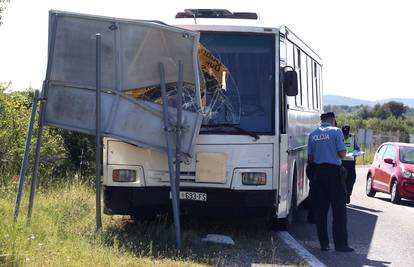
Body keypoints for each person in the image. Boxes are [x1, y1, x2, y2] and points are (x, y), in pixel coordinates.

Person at [307, 112, 354, 252]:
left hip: (318, 174)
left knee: (321, 211)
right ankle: (340, 245)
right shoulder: (336, 131)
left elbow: (310, 158)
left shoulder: (312, 134)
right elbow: (342, 153)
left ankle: (324, 244)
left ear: (321, 120)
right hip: (334, 174)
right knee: (339, 210)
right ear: (333, 120)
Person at [341, 124, 360, 204]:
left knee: (352, 178)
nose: (345, 135)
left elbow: (357, 148)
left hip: (350, 161)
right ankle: (342, 195)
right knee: (341, 179)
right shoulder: (338, 138)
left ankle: (348, 194)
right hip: (340, 162)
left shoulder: (352, 138)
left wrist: (356, 153)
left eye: (347, 133)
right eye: (344, 133)